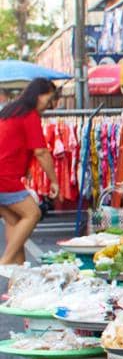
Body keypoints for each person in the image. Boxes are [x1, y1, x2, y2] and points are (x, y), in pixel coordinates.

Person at [0, 79, 59, 265]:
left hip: (5, 175)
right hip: (5, 177)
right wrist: (54, 181)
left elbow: (10, 142)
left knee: (15, 221)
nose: (49, 105)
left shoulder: (11, 111)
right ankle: (4, 263)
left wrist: (24, 167)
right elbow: (41, 152)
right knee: (33, 213)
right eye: (49, 99)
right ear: (39, 95)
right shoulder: (29, 115)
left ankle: (18, 276)